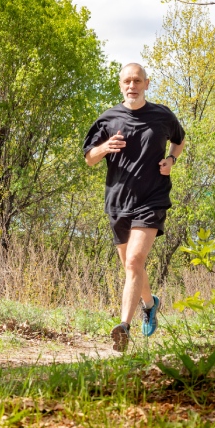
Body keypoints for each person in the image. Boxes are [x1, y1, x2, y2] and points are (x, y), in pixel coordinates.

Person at [83, 63, 185, 352]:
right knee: (132, 267)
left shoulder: (162, 115)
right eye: (127, 81)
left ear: (146, 84)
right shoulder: (108, 119)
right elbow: (89, 158)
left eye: (137, 80)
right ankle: (151, 304)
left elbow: (179, 140)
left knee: (133, 262)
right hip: (118, 201)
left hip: (152, 198)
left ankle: (123, 327)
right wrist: (105, 148)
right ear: (120, 85)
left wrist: (171, 160)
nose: (132, 85)